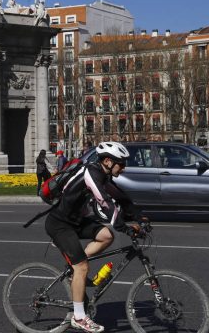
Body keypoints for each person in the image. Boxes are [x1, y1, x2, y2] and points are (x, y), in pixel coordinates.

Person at [44, 141, 145, 333]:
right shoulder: (90, 173)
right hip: (60, 224)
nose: (123, 168)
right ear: (107, 161)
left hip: (76, 223)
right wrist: (124, 227)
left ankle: (75, 269)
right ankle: (79, 317)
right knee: (82, 266)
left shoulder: (104, 174)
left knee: (106, 236)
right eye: (121, 163)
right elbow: (104, 202)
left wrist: (139, 216)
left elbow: (120, 197)